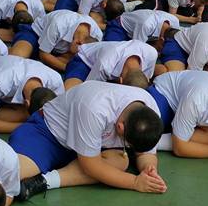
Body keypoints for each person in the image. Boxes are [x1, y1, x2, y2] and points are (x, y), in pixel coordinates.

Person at [11, 81, 166, 200]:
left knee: (120, 161)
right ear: (120, 127)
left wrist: (149, 169)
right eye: (128, 144)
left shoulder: (150, 110)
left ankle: (44, 181)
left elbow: (146, 153)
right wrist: (134, 182)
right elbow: (91, 166)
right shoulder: (95, 108)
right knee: (12, 175)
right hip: (48, 134)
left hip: (86, 146)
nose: (128, 147)